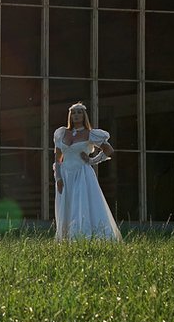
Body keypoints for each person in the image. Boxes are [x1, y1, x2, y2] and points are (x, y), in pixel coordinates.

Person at [52, 101, 122, 241]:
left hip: (82, 174)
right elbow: (58, 157)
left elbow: (109, 150)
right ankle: (66, 239)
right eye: (73, 113)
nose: (76, 115)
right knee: (66, 205)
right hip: (65, 175)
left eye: (79, 113)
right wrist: (58, 177)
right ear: (70, 116)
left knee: (80, 204)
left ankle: (81, 237)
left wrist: (92, 160)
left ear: (84, 116)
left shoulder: (90, 134)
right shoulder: (61, 133)